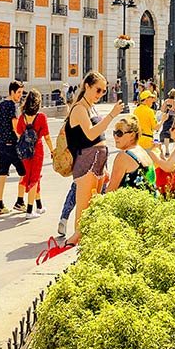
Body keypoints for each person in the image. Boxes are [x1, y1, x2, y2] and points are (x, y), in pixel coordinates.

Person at [57, 72, 124, 245]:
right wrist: (111, 115)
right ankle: (72, 246)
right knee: (83, 209)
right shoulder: (79, 108)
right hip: (86, 160)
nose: (100, 94)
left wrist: (105, 168)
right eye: (98, 90)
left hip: (98, 160)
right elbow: (91, 133)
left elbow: (98, 136)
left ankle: (84, 245)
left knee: (93, 207)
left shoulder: (90, 106)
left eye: (103, 91)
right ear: (87, 86)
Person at [0, 81, 26, 215]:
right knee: (25, 173)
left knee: (2, 173)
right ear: (12, 92)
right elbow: (14, 125)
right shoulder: (12, 105)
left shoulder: (1, 105)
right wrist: (22, 138)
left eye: (21, 93)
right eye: (18, 93)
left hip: (2, 144)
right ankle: (20, 201)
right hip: (12, 144)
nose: (20, 96)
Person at [14, 94, 49, 215]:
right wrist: (53, 151)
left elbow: (18, 132)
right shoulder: (41, 117)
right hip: (38, 150)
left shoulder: (22, 117)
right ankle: (29, 210)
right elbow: (47, 137)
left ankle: (39, 205)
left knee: (28, 176)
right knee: (34, 179)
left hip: (25, 152)